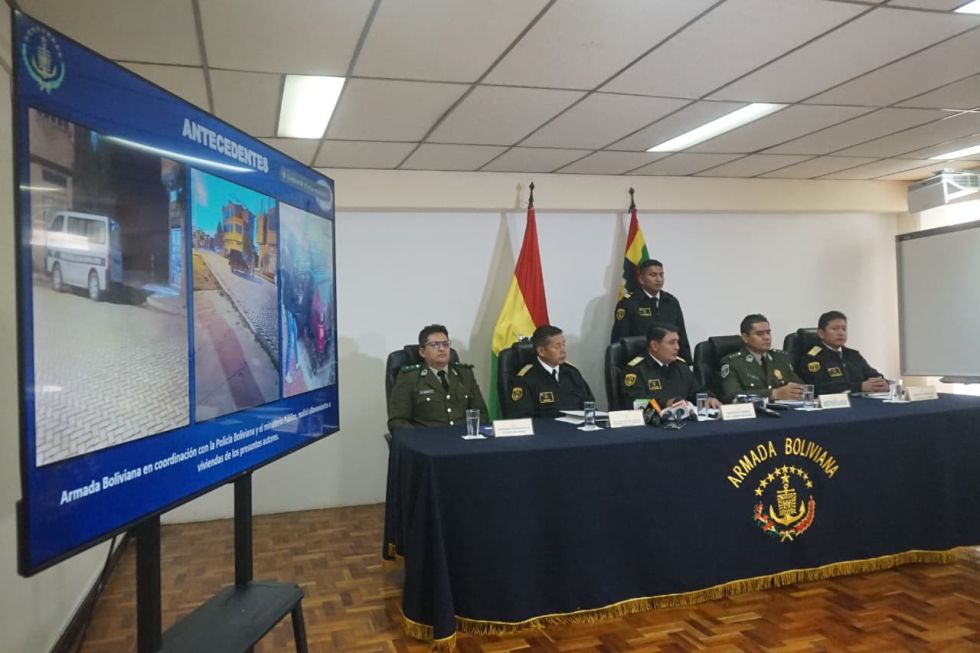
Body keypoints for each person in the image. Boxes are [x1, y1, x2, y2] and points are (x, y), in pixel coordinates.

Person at [387, 324, 488, 432]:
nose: (442, 349)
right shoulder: (410, 377)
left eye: (446, 344)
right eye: (434, 345)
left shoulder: (465, 373)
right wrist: (419, 437)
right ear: (422, 352)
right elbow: (398, 421)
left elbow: (481, 414)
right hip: (427, 439)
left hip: (464, 437)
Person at [622, 323, 721, 410]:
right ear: (655, 345)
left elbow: (698, 391)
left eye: (677, 342)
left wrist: (709, 398)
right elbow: (634, 402)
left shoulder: (681, 366)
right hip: (653, 423)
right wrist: (666, 404)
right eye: (672, 342)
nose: (677, 347)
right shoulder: (635, 370)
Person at [611, 259, 691, 363]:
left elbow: (681, 335)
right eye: (653, 275)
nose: (659, 279)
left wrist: (687, 363)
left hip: (670, 364)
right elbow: (620, 339)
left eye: (661, 275)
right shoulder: (628, 303)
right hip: (641, 364)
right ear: (641, 279)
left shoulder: (671, 302)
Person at [507, 325, 595, 419]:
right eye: (557, 346)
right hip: (546, 428)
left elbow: (590, 407)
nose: (563, 351)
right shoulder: (525, 379)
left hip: (579, 426)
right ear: (541, 351)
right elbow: (522, 418)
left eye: (563, 344)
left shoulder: (572, 373)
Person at [798, 310, 888, 395]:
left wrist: (882, 383)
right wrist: (859, 386)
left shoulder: (853, 355)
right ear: (821, 333)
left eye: (844, 329)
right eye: (835, 329)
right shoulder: (812, 358)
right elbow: (820, 387)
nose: (841, 333)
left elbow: (873, 375)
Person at [720, 314, 803, 403]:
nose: (766, 337)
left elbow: (800, 386)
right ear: (745, 338)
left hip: (784, 409)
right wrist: (773, 394)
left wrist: (797, 391)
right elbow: (732, 395)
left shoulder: (781, 358)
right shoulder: (733, 363)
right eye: (760, 334)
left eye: (768, 333)